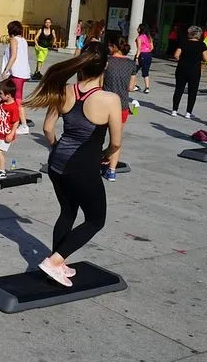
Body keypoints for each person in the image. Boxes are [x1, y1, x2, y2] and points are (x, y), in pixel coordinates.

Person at [25, 41, 122, 287]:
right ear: (105, 66)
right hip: (82, 167)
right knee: (95, 220)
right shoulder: (109, 99)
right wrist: (105, 154)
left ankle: (58, 262)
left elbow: (48, 129)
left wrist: (57, 150)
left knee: (67, 212)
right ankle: (54, 261)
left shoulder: (65, 90)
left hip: (57, 163)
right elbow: (116, 143)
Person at [101, 34, 137, 181]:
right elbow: (131, 87)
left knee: (98, 136)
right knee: (116, 139)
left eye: (109, 46)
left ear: (114, 46)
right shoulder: (131, 64)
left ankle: (99, 158)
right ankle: (112, 171)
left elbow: (99, 82)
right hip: (121, 105)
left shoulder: (106, 61)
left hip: (104, 104)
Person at [0, 20, 32, 134]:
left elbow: (13, 56)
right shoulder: (23, 40)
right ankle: (4, 114)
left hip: (17, 73)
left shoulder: (14, 40)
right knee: (10, 94)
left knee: (18, 99)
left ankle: (24, 125)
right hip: (23, 73)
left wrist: (5, 70)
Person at [171, 25, 207, 119]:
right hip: (195, 70)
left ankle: (174, 110)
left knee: (179, 89)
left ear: (190, 33)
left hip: (182, 68)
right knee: (192, 91)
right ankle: (188, 112)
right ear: (199, 35)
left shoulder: (184, 42)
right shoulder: (202, 45)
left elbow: (176, 55)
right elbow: (205, 58)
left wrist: (181, 60)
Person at [132, 24, 153, 94]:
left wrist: (137, 57)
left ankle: (134, 85)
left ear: (141, 29)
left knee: (133, 70)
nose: (137, 29)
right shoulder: (149, 37)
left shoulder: (139, 37)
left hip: (141, 55)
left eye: (138, 28)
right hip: (148, 55)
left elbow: (139, 49)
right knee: (146, 71)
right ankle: (147, 88)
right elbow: (152, 47)